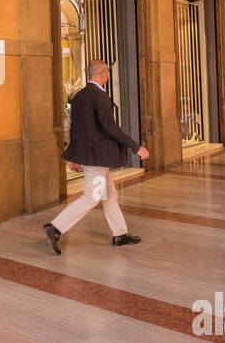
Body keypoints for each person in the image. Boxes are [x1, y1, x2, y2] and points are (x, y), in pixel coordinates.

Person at [43, 59, 149, 255]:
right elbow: (110, 127)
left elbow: (76, 130)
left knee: (110, 194)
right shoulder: (100, 96)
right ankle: (56, 227)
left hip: (91, 156)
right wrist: (135, 147)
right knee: (92, 196)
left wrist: (75, 156)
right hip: (98, 157)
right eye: (106, 74)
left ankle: (120, 234)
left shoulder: (79, 96)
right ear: (103, 75)